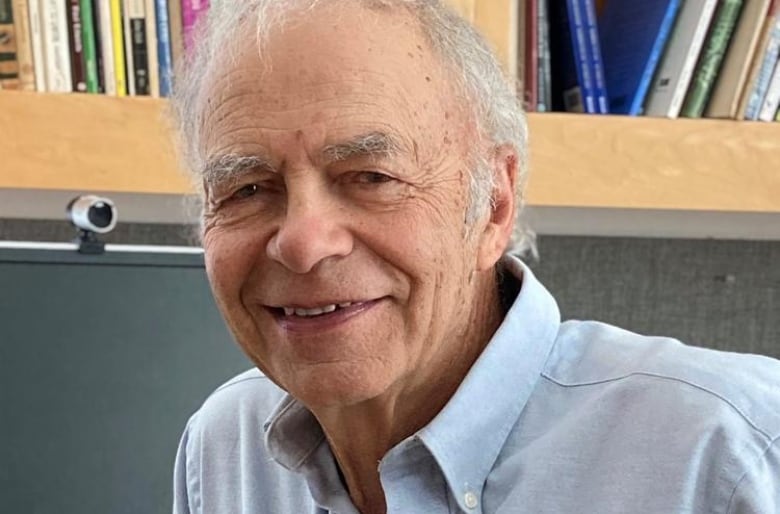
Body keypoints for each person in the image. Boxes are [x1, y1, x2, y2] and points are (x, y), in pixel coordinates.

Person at [171, 1, 780, 513]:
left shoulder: (728, 453)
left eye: (371, 176)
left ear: (494, 204)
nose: (303, 243)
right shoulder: (228, 445)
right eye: (246, 188)